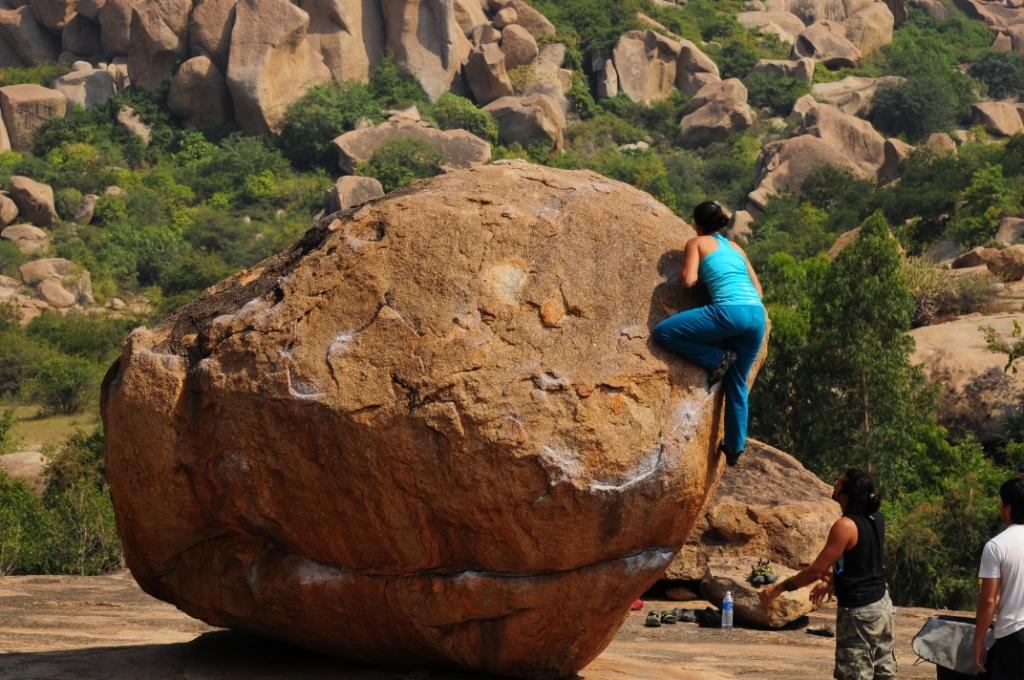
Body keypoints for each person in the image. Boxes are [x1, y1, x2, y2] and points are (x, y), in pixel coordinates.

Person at [652, 201, 766, 466]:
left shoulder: (697, 243)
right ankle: (735, 449)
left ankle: (717, 360)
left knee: (663, 333)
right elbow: (758, 291)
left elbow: (689, 280)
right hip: (756, 315)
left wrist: (698, 276)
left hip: (729, 312)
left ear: (697, 224)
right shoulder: (737, 248)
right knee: (737, 382)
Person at [760, 469, 896, 680]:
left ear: (845, 496)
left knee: (854, 674)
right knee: (884, 673)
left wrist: (778, 588)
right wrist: (832, 582)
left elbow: (815, 571)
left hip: (860, 613)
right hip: (882, 606)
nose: (835, 482)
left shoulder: (845, 526)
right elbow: (862, 563)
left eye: (840, 482)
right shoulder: (876, 518)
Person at [973, 478, 1024, 678]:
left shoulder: (996, 546)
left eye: (1001, 503)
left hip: (1014, 635)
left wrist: (979, 642)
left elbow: (989, 600)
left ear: (1008, 508)